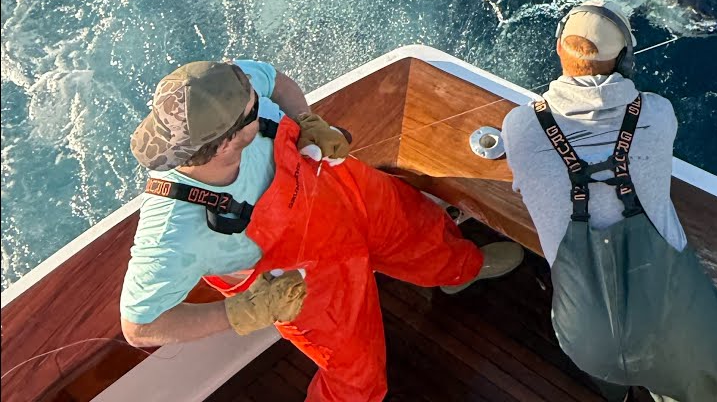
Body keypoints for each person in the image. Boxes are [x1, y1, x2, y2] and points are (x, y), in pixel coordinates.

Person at [121, 59, 523, 402]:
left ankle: (459, 271)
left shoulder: (223, 85)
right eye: (254, 107)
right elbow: (140, 326)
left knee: (419, 226)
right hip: (311, 283)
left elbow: (277, 81)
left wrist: (307, 122)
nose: (258, 95)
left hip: (343, 190)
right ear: (227, 142)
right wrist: (244, 312)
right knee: (356, 374)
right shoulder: (171, 230)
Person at [502, 2, 717, 402]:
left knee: (608, 363)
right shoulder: (657, 113)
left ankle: (622, 394)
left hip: (585, 339)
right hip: (672, 323)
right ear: (626, 60)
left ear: (558, 48)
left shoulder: (519, 126)